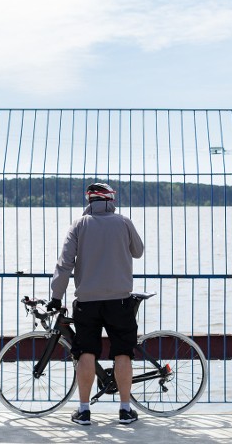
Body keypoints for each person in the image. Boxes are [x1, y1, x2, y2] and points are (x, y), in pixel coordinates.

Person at [47, 182, 144, 425]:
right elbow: (138, 251)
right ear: (110, 200)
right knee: (123, 352)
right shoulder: (123, 222)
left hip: (87, 302)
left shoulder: (79, 225)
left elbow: (64, 264)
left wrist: (56, 296)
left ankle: (84, 410)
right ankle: (124, 410)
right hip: (119, 300)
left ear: (89, 202)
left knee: (86, 352)